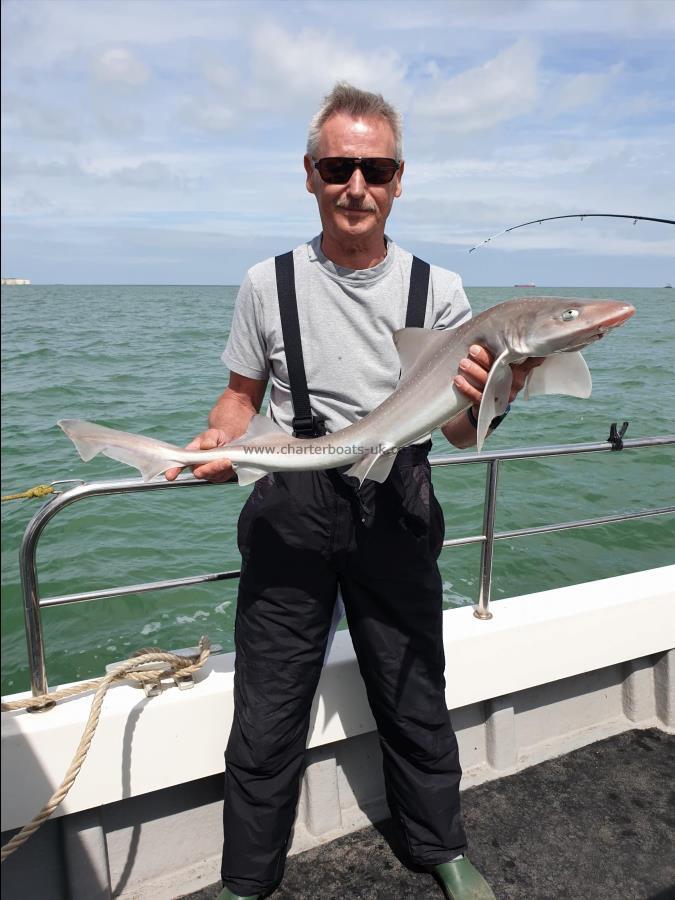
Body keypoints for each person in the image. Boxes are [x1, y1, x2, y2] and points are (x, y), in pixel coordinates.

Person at [166, 83, 541, 900]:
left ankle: (439, 845)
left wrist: (497, 395)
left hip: (397, 497)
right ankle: (246, 877)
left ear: (399, 178)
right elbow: (238, 397)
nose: (356, 186)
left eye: (375, 168)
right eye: (339, 166)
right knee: (267, 709)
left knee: (413, 688)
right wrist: (217, 439)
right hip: (292, 497)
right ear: (310, 174)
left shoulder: (438, 292)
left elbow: (458, 432)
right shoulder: (265, 283)